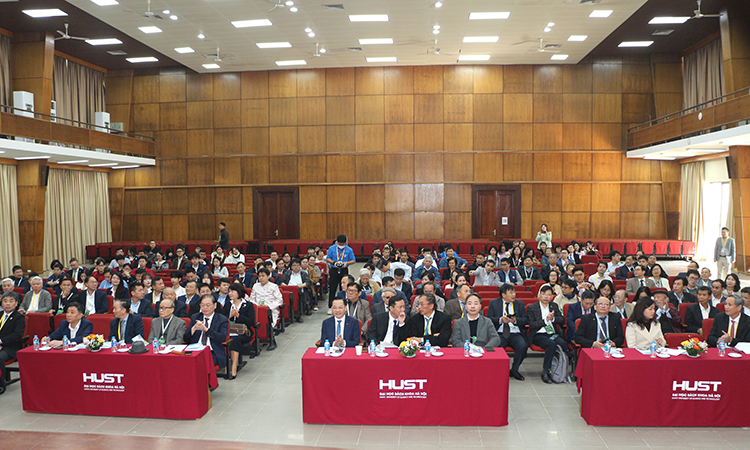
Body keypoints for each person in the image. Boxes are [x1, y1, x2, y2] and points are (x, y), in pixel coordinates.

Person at [526, 285, 567, 383]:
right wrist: (545, 321)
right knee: (551, 344)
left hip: (552, 333)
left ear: (552, 296)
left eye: (549, 295)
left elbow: (562, 320)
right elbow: (532, 324)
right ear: (539, 295)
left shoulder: (554, 306)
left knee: (563, 344)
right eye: (543, 294)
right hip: (538, 334)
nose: (546, 297)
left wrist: (553, 319)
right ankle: (546, 371)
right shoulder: (532, 307)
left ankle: (559, 369)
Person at [488, 284, 529, 380]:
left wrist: (515, 320)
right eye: (511, 293)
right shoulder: (494, 303)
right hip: (500, 333)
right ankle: (499, 370)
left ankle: (514, 369)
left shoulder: (520, 304)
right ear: (503, 295)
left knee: (523, 345)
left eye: (514, 292)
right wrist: (500, 320)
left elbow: (526, 320)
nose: (513, 294)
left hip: (515, 333)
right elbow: (489, 319)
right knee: (497, 347)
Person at [185, 294, 230, 368]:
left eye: (208, 305)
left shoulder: (222, 319)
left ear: (215, 305)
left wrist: (206, 330)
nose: (205, 308)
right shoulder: (195, 317)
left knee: (202, 364)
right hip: (195, 350)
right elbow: (185, 339)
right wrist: (193, 329)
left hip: (212, 351)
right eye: (202, 305)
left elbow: (222, 337)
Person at [224, 283, 256, 379]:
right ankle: (226, 365)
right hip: (229, 330)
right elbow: (221, 319)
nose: (230, 293)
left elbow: (251, 322)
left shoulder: (248, 305)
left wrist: (238, 316)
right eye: (229, 291)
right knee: (226, 338)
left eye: (232, 291)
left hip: (243, 332)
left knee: (234, 340)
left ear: (239, 292)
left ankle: (233, 367)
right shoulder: (228, 304)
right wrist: (230, 316)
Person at [0, 294, 25, 393]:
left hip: (10, 347)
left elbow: (17, 334)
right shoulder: (0, 314)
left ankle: (1, 384)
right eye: (5, 301)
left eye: (11, 301)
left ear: (16, 303)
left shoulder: (19, 317)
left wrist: (1, 342)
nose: (8, 304)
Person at [325, 235, 356, 315]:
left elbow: (353, 260)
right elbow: (327, 258)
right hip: (334, 270)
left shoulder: (349, 250)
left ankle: (343, 305)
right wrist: (334, 262)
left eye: (343, 244)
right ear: (337, 242)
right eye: (340, 244)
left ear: (345, 242)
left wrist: (347, 263)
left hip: (344, 270)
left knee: (344, 288)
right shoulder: (332, 248)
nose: (341, 245)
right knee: (332, 288)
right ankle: (330, 306)